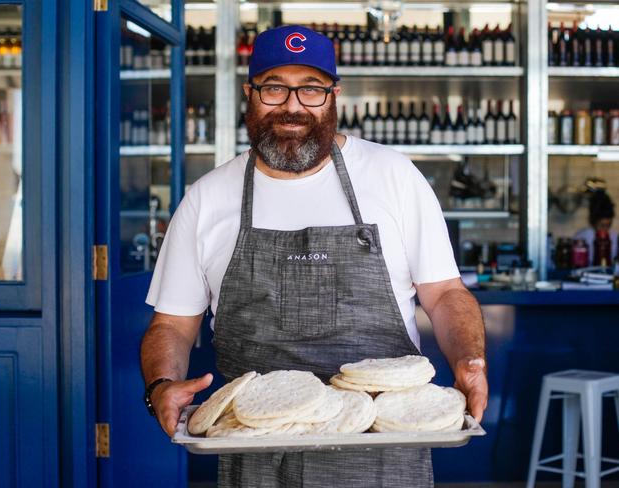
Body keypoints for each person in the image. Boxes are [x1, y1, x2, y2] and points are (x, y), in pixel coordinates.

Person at [141, 25, 488, 487]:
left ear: (334, 95)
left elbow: (444, 293)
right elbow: (172, 323)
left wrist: (470, 360)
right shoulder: (207, 199)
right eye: (274, 88)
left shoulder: (394, 178)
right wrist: (161, 386)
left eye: (310, 89)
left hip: (382, 446)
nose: (292, 106)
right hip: (255, 451)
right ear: (249, 93)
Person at [573, 190, 617, 265]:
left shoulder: (614, 237)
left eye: (608, 225)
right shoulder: (581, 238)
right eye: (602, 225)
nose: (605, 229)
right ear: (593, 221)